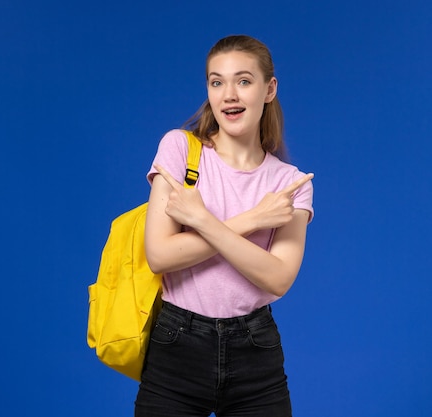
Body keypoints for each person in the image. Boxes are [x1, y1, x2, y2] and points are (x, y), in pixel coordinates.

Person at [134, 35, 314, 417]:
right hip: (176, 346)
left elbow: (278, 278)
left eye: (243, 81)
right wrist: (254, 220)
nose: (228, 94)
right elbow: (160, 255)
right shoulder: (180, 149)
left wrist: (200, 220)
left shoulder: (290, 183)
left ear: (269, 89)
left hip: (256, 353)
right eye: (217, 82)